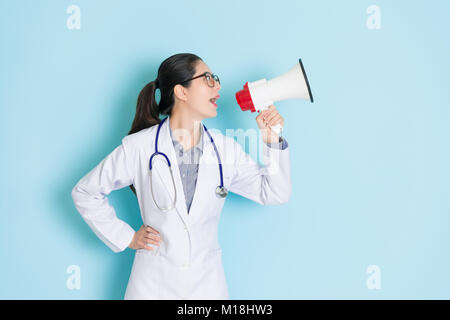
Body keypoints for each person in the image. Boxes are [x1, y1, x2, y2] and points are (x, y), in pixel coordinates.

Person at [71, 53, 292, 300]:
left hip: (207, 287)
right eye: (208, 78)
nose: (218, 85)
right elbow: (85, 192)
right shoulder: (139, 147)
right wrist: (127, 237)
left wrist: (272, 139)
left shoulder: (224, 149)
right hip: (152, 286)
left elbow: (274, 192)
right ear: (181, 91)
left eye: (216, 79)